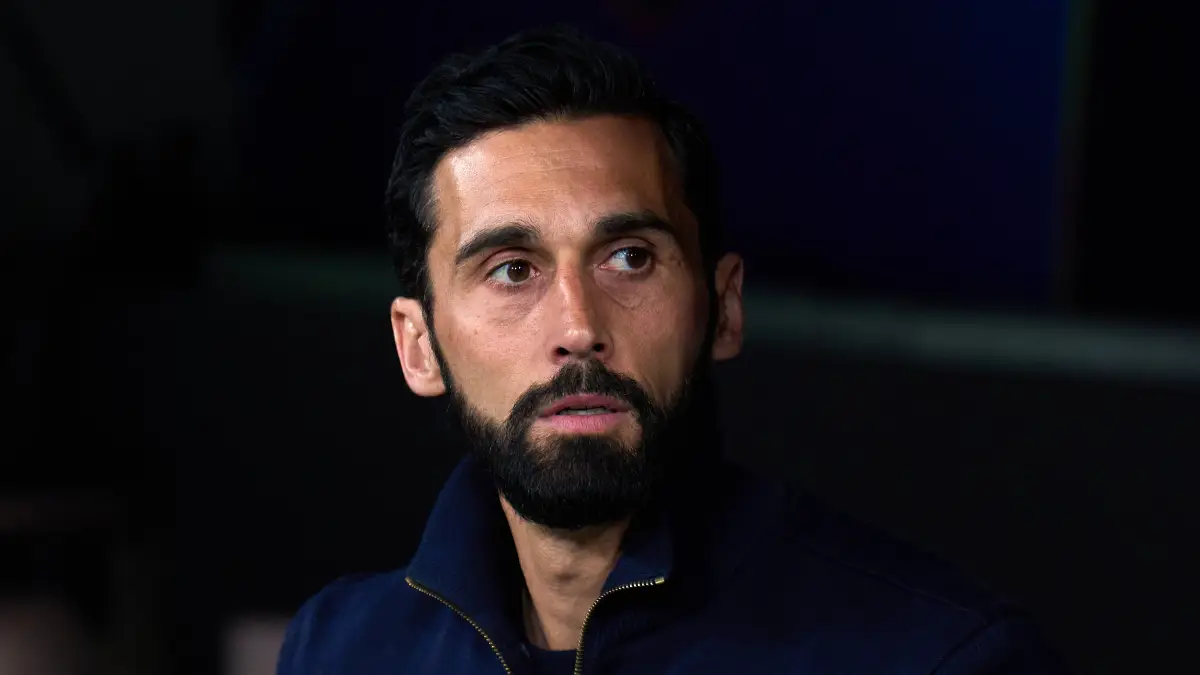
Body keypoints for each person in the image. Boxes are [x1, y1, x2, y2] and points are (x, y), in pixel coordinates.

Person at [276, 25, 1066, 675]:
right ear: (418, 346)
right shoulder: (342, 649)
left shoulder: (936, 658)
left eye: (629, 258)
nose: (578, 324)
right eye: (512, 270)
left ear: (722, 307)